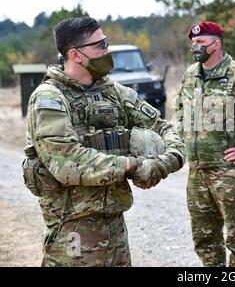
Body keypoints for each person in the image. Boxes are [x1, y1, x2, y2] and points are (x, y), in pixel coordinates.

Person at [23, 16, 185, 267]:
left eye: (106, 43)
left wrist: (164, 162)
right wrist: (132, 165)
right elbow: (67, 162)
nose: (107, 51)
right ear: (75, 55)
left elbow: (164, 129)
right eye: (101, 45)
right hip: (73, 233)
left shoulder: (115, 93)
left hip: (115, 230)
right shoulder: (49, 99)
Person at [175, 21, 235, 267]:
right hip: (197, 173)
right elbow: (180, 108)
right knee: (204, 237)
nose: (195, 47)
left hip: (228, 172)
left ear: (216, 44)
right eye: (193, 43)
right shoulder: (190, 74)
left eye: (201, 42)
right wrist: (183, 135)